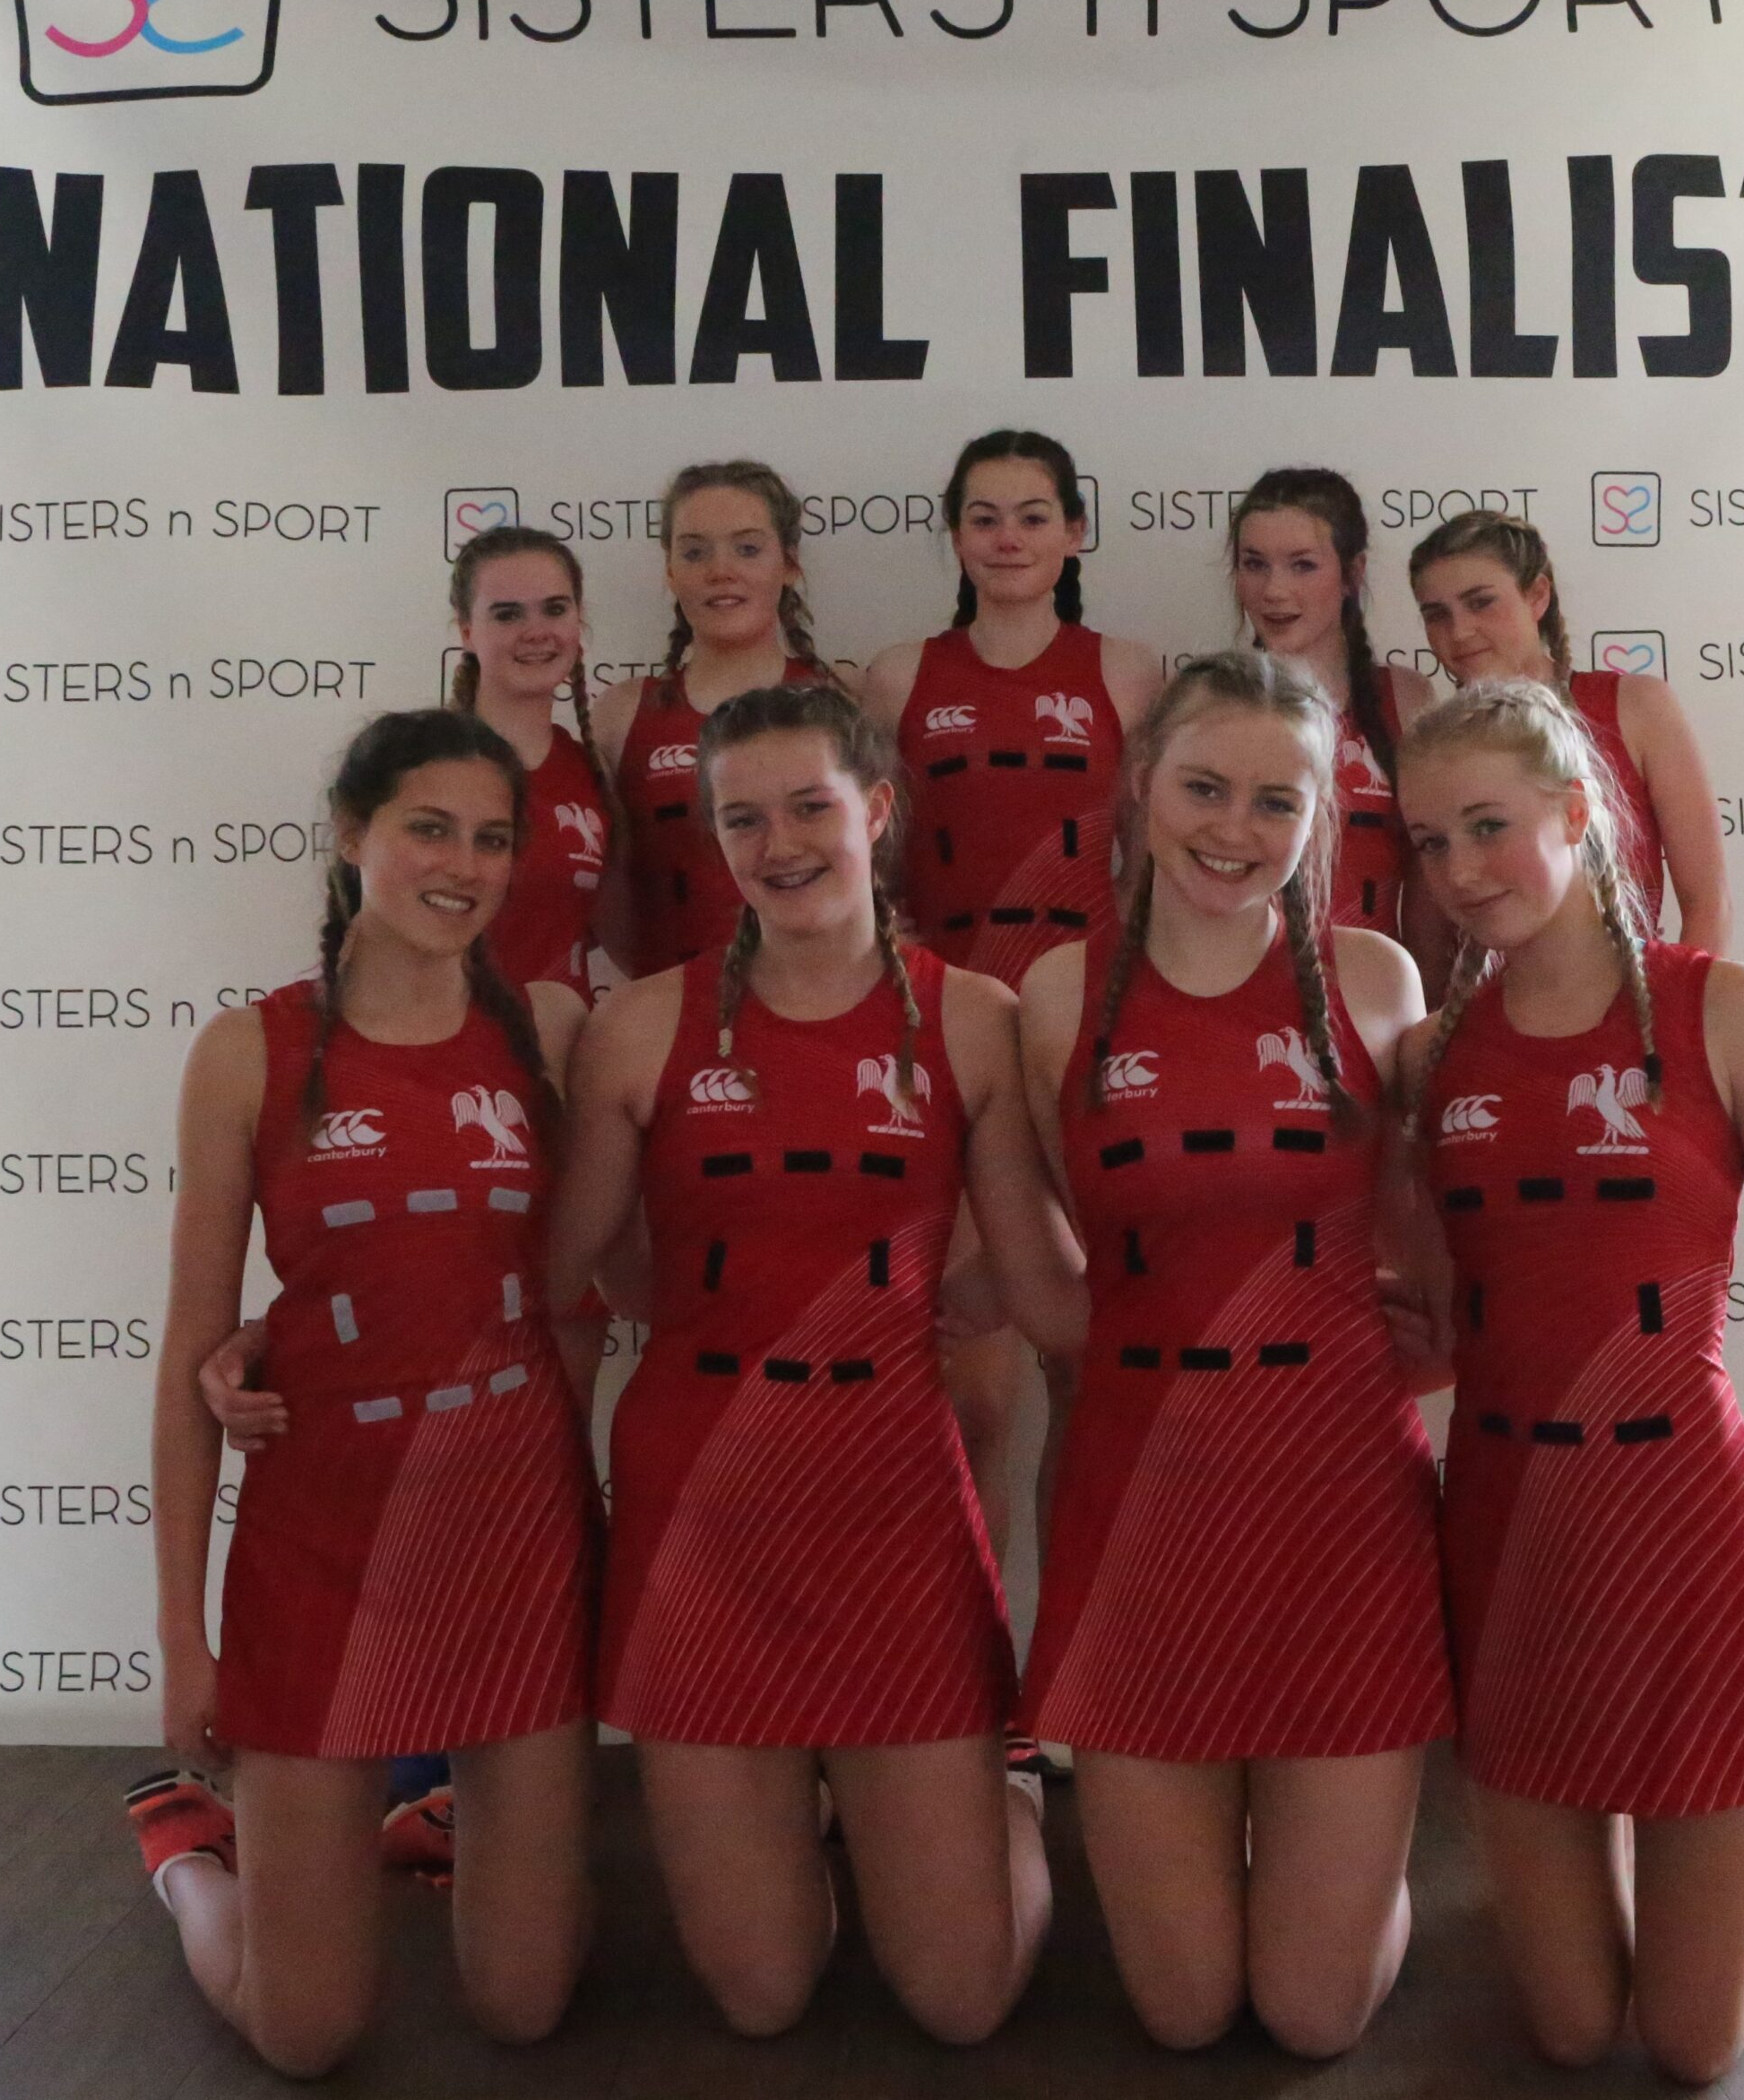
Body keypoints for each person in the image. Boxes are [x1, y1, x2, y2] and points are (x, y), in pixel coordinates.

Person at [1394, 678, 1744, 2084]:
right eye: (1432, 840)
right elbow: (1443, 1324)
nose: (1460, 870)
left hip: (1691, 1525)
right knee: (1574, 2027)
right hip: (1508, 1532)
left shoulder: (1727, 1010)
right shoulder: (1428, 1056)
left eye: (1489, 825)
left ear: (1578, 810)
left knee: (1690, 2043)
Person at [547, 683, 1084, 2043]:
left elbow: (1044, 1288)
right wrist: (285, 1331)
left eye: (809, 807)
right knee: (763, 1992)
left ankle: (1005, 1792)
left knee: (962, 2001)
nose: (779, 843)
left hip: (892, 1503)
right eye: (743, 819)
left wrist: (1319, 1310)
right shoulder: (639, 1025)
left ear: (877, 810)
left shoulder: (973, 1016)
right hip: (700, 1510)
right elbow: (562, 1272)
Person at [130, 709, 600, 2076]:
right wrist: (182, 1636)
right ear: (353, 834)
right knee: (309, 2032)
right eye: (429, 828)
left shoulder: (552, 1031)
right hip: (321, 1534)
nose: (465, 864)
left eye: (493, 838)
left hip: (514, 1529)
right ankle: (187, 1853)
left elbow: (585, 1264)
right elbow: (188, 1351)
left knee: (523, 2003)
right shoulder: (248, 1049)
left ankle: (421, 1822)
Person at [1014, 650, 1455, 2057]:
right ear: (1143, 782)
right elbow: (1059, 1267)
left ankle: (1342, 1884)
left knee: (1313, 2015)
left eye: (1277, 801)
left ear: (1321, 817)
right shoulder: (1057, 993)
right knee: (1186, 2008)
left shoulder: (1378, 979)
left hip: (1343, 1513)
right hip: (1143, 1506)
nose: (1234, 827)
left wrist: (1415, 1345)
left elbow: (1434, 1242)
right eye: (1205, 786)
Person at [859, 428, 1161, 1645]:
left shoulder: (1130, 670)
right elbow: (871, 871)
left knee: (1090, 1379)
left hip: (1089, 1044)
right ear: (954, 535)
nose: (1008, 538)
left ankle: (1079, 1668)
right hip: (950, 1049)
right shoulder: (896, 675)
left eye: (1034, 515)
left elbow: (1157, 865)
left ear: (1076, 532)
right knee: (971, 1395)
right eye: (984, 516)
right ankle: (968, 1687)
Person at [1408, 510, 1730, 952]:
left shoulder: (1635, 706)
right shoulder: (1431, 745)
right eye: (1437, 615)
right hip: (1486, 993)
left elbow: (1708, 904)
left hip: (1634, 987)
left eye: (1481, 602)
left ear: (1537, 595)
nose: (1460, 632)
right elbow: (1429, 941)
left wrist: (1680, 995)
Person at [588, 461, 835, 978]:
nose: (720, 571)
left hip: (819, 1003)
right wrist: (666, 999)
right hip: (672, 1007)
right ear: (670, 570)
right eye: (695, 552)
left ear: (789, 563)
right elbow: (607, 897)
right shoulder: (621, 717)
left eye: (747, 549)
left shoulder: (842, 703)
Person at [1230, 468, 1449, 988]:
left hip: (1375, 996)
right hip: (1241, 994)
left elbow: (1430, 891)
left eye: (1303, 565)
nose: (1274, 591)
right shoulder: (1211, 703)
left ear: (1352, 574)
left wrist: (1429, 1013)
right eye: (1254, 564)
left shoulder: (1406, 700)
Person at [447, 524, 615, 1000]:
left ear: (578, 621)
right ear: (467, 632)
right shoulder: (425, 765)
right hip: (451, 1038)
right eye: (507, 614)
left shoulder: (591, 769)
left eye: (555, 609)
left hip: (564, 1039)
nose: (536, 632)